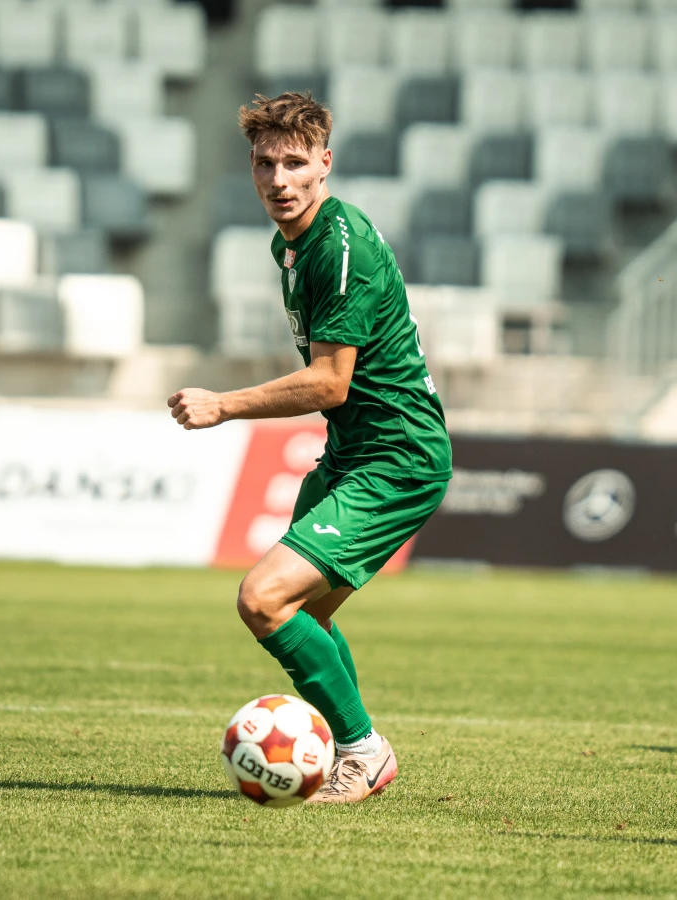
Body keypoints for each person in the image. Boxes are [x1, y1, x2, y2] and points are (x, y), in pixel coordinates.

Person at [168, 93, 452, 803]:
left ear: (325, 163)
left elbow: (330, 381)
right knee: (305, 614)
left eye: (295, 163)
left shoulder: (338, 244)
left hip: (397, 458)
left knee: (262, 599)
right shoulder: (291, 244)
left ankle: (363, 750)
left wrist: (223, 405)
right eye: (264, 164)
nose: (279, 180)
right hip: (352, 452)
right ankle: (351, 751)